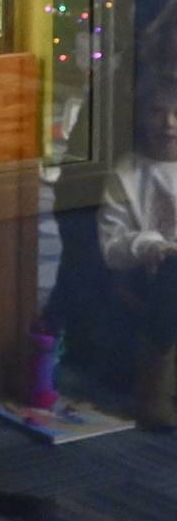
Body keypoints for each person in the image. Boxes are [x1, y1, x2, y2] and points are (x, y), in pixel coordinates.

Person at [99, 70, 177, 428]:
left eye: (176, 113)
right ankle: (155, 395)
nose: (168, 124)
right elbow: (111, 245)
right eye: (157, 113)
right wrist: (150, 245)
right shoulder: (128, 171)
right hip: (150, 271)